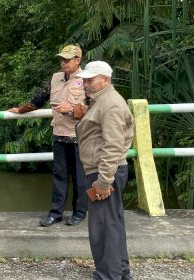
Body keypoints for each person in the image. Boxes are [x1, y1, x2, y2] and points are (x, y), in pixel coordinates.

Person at [8, 45, 88, 227]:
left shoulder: (87, 79)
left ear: (77, 60)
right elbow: (40, 98)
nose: (63, 62)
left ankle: (79, 213)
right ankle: (55, 213)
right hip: (59, 135)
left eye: (67, 59)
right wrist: (21, 110)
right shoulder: (56, 78)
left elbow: (95, 108)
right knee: (59, 177)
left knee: (80, 179)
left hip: (80, 137)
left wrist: (73, 109)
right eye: (61, 59)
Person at [76, 61, 134, 280]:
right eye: (85, 80)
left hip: (105, 171)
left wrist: (103, 181)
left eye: (91, 80)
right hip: (106, 170)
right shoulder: (103, 101)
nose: (86, 84)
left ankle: (108, 275)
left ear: (105, 80)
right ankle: (120, 272)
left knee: (103, 228)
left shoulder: (110, 104)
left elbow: (113, 145)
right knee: (112, 224)